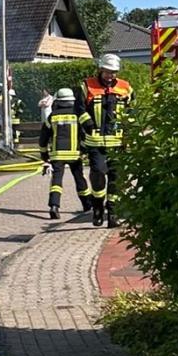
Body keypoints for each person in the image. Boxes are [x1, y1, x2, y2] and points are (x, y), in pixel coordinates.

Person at [77, 53, 133, 227]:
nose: (110, 75)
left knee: (117, 179)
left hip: (118, 143)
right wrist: (88, 124)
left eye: (113, 72)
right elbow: (79, 109)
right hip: (96, 143)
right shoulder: (87, 86)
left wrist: (129, 130)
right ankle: (98, 207)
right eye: (107, 72)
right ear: (100, 69)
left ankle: (113, 213)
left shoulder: (125, 87)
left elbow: (132, 110)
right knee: (98, 175)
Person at [39, 87, 91, 219]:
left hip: (57, 155)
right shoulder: (78, 115)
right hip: (75, 154)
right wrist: (85, 150)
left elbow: (43, 138)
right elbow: (86, 134)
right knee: (80, 179)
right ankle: (87, 205)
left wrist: (44, 156)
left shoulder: (52, 116)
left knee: (56, 180)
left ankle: (54, 206)